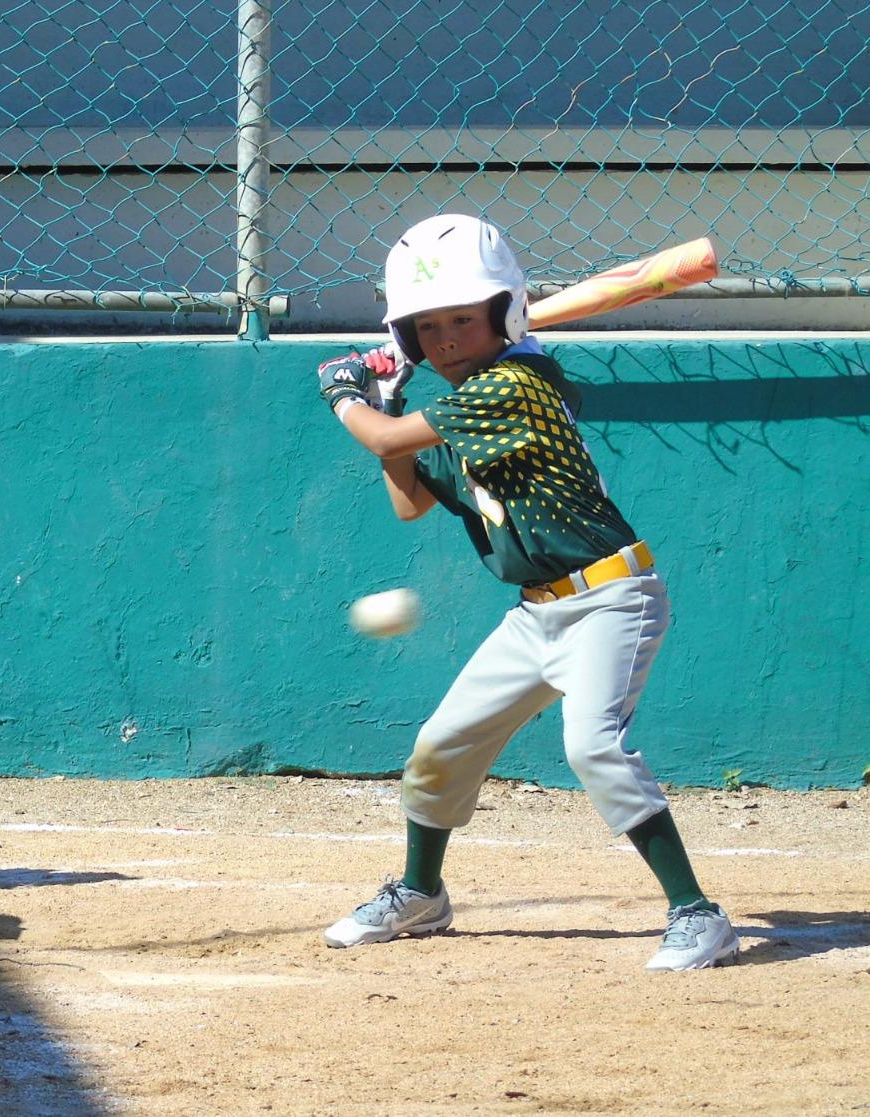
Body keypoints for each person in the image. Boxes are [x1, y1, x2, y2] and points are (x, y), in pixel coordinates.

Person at [314, 213, 739, 972]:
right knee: (441, 747)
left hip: (611, 596)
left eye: (461, 319)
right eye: (426, 327)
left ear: (502, 314)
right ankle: (421, 891)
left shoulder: (515, 383)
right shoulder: (455, 408)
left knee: (592, 745)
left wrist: (347, 396)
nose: (444, 339)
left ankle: (697, 913)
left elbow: (382, 443)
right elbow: (407, 496)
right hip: (536, 613)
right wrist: (387, 403)